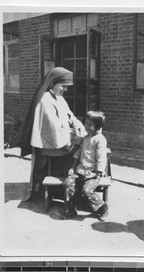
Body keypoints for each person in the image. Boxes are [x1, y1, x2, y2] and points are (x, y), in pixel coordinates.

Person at [18, 67, 86, 202]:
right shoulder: (45, 100)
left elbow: (70, 116)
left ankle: (75, 187)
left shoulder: (58, 98)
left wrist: (80, 128)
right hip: (50, 145)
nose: (65, 90)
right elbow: (53, 129)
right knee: (84, 147)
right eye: (63, 86)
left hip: (61, 138)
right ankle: (74, 186)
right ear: (52, 83)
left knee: (87, 140)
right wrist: (74, 137)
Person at [63, 110, 109, 221]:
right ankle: (71, 209)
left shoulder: (100, 140)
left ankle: (102, 207)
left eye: (90, 124)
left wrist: (97, 173)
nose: (86, 126)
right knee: (68, 183)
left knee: (86, 190)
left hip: (93, 173)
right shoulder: (86, 137)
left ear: (98, 127)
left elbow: (102, 158)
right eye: (86, 123)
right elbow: (78, 153)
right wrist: (72, 167)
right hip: (81, 171)